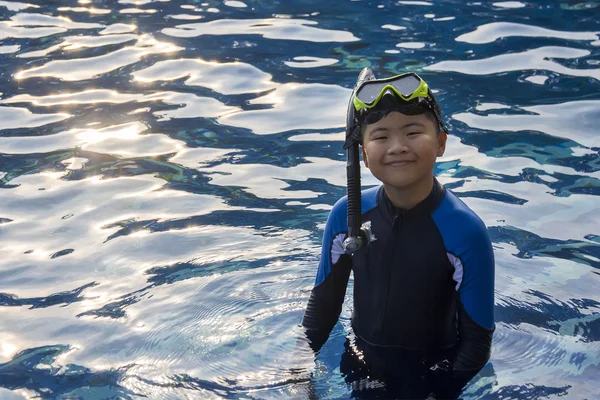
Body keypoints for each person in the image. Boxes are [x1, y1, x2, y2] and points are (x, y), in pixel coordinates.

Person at [302, 70, 495, 399]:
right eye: (380, 137)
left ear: (441, 143)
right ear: (363, 152)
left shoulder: (465, 232)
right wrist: (295, 377)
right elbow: (321, 313)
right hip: (360, 366)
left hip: (436, 372)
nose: (397, 147)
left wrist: (440, 393)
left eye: (413, 131)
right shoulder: (346, 217)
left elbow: (477, 345)